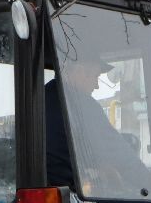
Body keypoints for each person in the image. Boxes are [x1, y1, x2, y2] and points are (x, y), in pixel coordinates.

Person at [44, 53, 138, 193]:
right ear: (80, 72)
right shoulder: (82, 104)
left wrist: (101, 167)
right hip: (73, 194)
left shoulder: (41, 97)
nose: (97, 85)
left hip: (52, 187)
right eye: (96, 76)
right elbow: (116, 150)